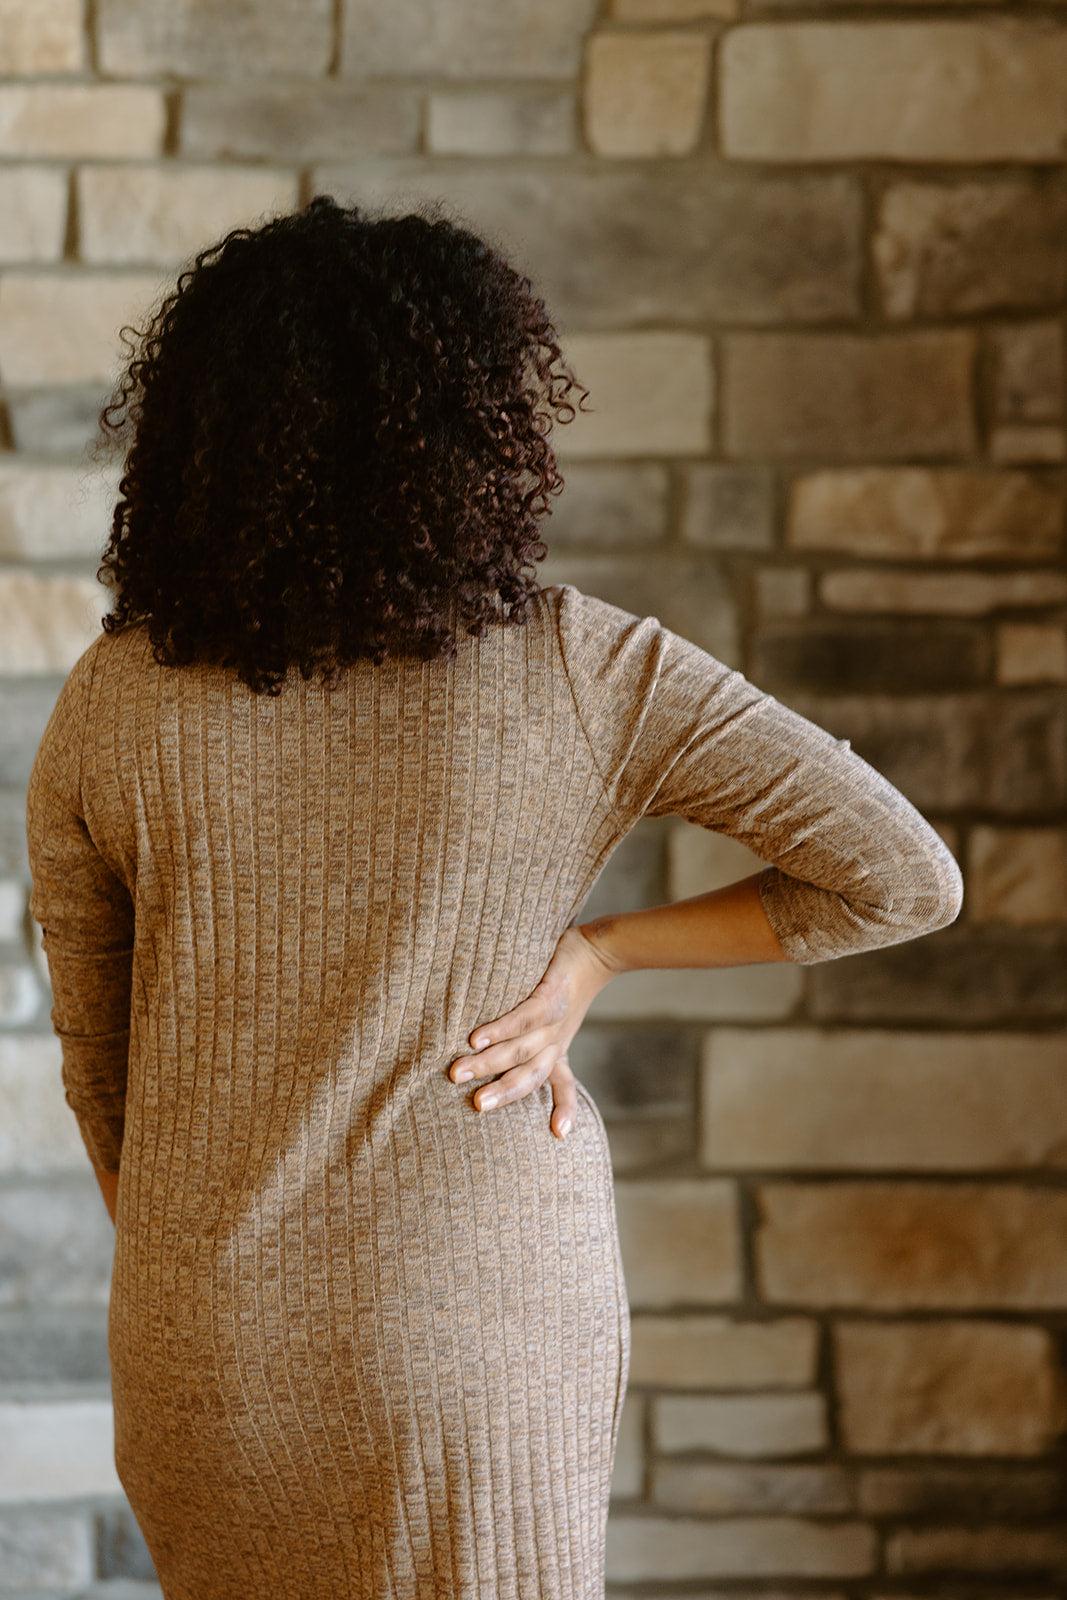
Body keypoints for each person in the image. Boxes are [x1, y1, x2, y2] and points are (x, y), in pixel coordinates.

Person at [26, 195, 962, 1600]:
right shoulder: (581, 669)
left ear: (197, 437)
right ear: (478, 431)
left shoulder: (113, 701)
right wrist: (597, 956)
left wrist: (226, 1266)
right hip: (476, 1330)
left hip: (209, 1348)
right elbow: (902, 876)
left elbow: (104, 1082)